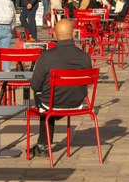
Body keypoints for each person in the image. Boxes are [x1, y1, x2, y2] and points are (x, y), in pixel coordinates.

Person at [29, 19, 93, 157]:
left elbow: (35, 85)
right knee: (50, 95)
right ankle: (43, 144)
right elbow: (88, 82)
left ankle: (43, 145)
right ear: (73, 34)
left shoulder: (46, 56)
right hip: (77, 102)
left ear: (55, 36)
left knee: (44, 96)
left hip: (52, 104)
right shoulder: (85, 56)